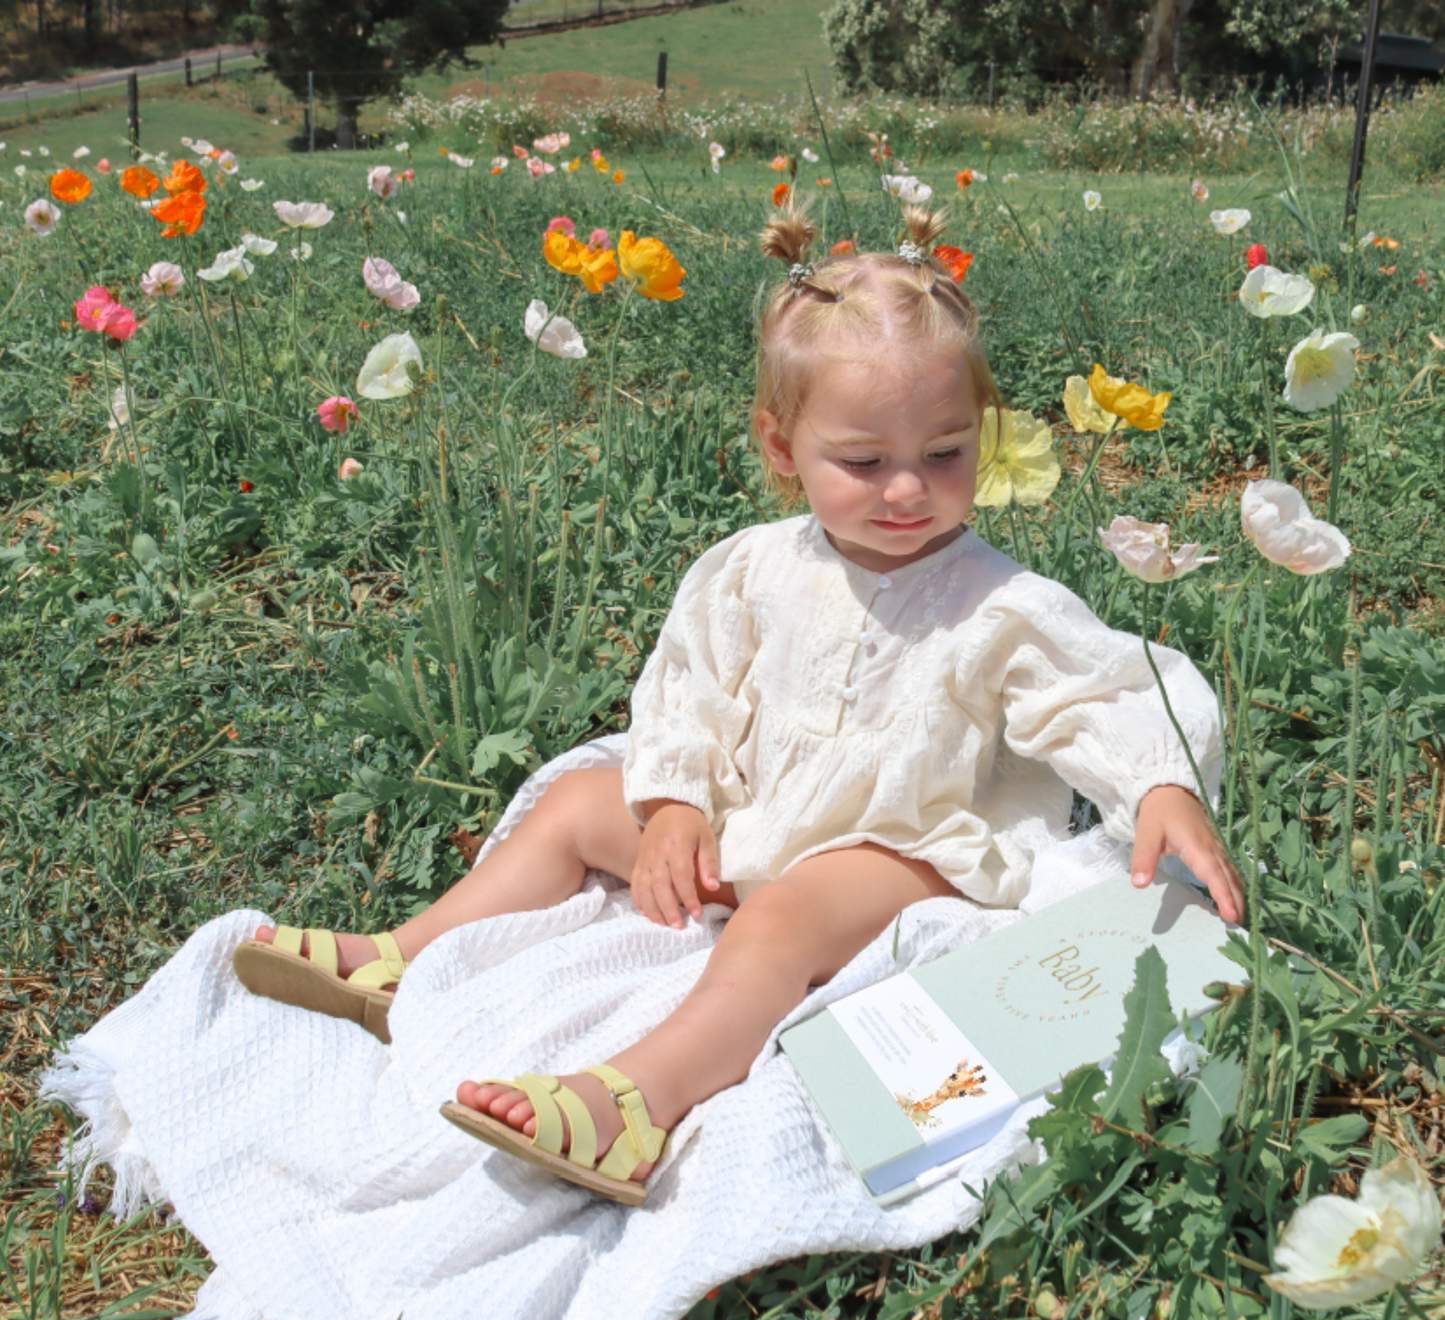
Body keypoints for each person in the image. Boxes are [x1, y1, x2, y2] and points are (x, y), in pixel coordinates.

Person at [232, 205, 1245, 1207]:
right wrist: (675, 802)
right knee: (578, 803)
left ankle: (635, 1099)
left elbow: (1094, 689)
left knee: (779, 919)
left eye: (943, 453)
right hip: (757, 815)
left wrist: (1158, 783)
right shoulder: (750, 569)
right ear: (781, 444)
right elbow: (687, 690)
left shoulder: (998, 604)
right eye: (863, 462)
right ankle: (404, 956)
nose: (906, 489)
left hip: (898, 849)